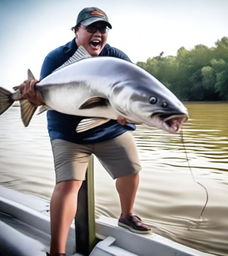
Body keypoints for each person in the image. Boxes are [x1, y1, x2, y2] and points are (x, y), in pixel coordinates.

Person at [20, 7, 151, 256]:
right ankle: (57, 252)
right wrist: (33, 98)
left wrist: (131, 112)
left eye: (103, 29)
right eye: (91, 27)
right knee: (68, 185)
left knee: (131, 169)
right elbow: (46, 98)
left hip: (110, 127)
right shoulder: (56, 57)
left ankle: (127, 215)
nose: (98, 33)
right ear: (76, 31)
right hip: (68, 131)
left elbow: (135, 92)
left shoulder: (117, 57)